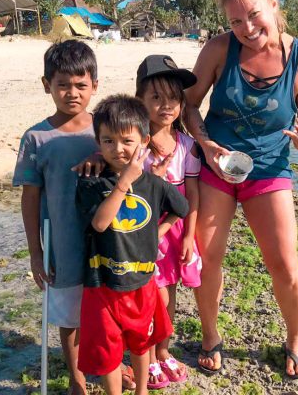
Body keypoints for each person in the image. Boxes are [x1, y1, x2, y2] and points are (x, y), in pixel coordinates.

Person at [184, 0, 298, 379]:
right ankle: (210, 336)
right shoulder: (217, 50)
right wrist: (207, 145)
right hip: (217, 166)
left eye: (253, 15)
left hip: (269, 169)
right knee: (207, 258)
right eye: (235, 22)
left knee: (283, 262)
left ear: (274, 4)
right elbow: (189, 105)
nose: (246, 28)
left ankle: (295, 339)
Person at [12, 40, 134, 394]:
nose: (72, 93)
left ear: (95, 85)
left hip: (111, 240)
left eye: (81, 85)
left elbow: (135, 153)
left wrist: (102, 149)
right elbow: (30, 197)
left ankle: (112, 362)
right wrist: (36, 251)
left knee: (112, 307)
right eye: (62, 84)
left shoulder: (107, 130)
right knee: (69, 315)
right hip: (63, 242)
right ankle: (77, 376)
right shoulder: (36, 138)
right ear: (46, 84)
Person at [76, 94, 190, 395]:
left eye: (127, 141)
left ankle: (142, 390)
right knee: (108, 351)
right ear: (98, 142)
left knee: (142, 343)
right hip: (102, 284)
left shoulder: (153, 182)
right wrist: (124, 182)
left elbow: (182, 207)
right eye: (108, 141)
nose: (118, 149)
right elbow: (100, 223)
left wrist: (159, 231)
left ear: (144, 139)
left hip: (142, 282)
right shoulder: (92, 182)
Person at [135, 55, 201, 389]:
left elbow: (192, 193)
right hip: (144, 228)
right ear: (140, 100)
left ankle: (163, 350)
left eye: (173, 99)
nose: (165, 106)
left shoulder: (187, 145)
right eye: (156, 98)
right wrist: (153, 180)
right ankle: (143, 356)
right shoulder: (136, 146)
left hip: (176, 230)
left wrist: (189, 235)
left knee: (170, 293)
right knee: (150, 296)